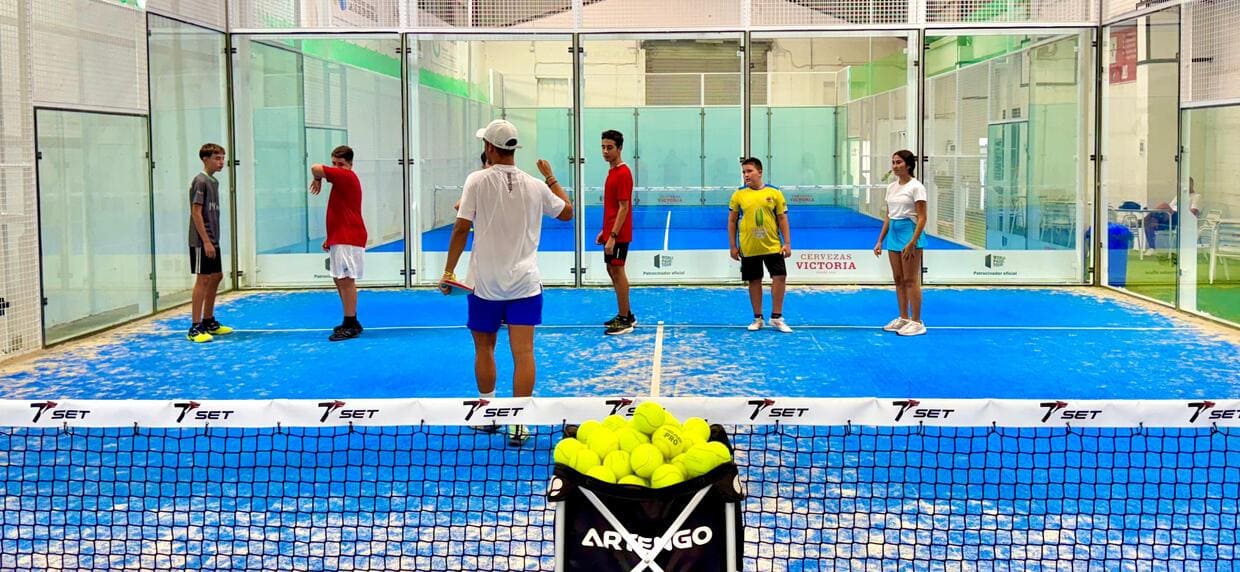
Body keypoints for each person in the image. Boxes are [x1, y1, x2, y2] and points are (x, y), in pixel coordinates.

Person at [441, 119, 573, 446]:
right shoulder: (535, 185)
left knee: (484, 347)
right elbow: (567, 212)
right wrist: (551, 177)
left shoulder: (476, 180)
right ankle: (519, 423)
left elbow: (460, 228)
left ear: (489, 147)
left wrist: (448, 272)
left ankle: (488, 416)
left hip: (484, 285)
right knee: (524, 352)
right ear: (514, 148)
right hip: (525, 285)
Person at [310, 145, 368, 342]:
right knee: (339, 279)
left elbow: (315, 167)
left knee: (346, 279)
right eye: (334, 163)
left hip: (349, 238)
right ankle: (350, 320)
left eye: (340, 164)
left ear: (350, 164)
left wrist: (318, 178)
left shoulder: (346, 177)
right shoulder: (339, 181)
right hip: (340, 237)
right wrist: (331, 237)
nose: (337, 167)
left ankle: (351, 322)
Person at [728, 157, 793, 333]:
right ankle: (758, 318)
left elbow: (782, 218)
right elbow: (732, 221)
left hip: (773, 246)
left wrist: (787, 242)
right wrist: (733, 246)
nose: (746, 175)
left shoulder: (775, 193)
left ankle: (776, 317)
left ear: (760, 172)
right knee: (754, 281)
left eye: (749, 171)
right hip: (749, 248)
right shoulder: (738, 195)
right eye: (743, 172)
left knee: (780, 277)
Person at [873, 150, 927, 337]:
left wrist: (912, 242)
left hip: (909, 233)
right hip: (894, 235)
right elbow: (888, 216)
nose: (895, 166)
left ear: (909, 165)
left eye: (899, 162)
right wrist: (880, 240)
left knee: (911, 280)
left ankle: (917, 321)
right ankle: (904, 317)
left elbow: (922, 217)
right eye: (893, 162)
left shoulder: (916, 187)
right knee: (898, 279)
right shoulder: (891, 187)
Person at [186, 143, 233, 343]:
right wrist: (205, 241)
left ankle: (209, 320)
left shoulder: (213, 182)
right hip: (201, 241)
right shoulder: (200, 181)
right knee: (203, 278)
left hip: (213, 239)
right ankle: (195, 327)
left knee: (216, 276)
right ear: (205, 159)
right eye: (217, 158)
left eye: (222, 158)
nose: (221, 162)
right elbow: (196, 212)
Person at [598, 130, 635, 335]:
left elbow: (623, 207)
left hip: (618, 234)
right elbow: (612, 206)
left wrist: (612, 236)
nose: (605, 151)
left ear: (619, 148)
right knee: (611, 270)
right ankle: (626, 313)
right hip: (611, 231)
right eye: (603, 147)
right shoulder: (612, 172)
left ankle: (625, 320)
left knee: (618, 271)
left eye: (609, 147)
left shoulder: (623, 172)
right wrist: (605, 230)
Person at [1143, 177, 1201, 255]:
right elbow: (1170, 207)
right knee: (1150, 222)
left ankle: (1142, 220)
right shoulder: (1179, 196)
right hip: (1169, 217)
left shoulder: (1196, 196)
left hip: (1181, 218)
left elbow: (1194, 212)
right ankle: (1152, 248)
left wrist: (1179, 211)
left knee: (1163, 205)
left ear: (1192, 184)